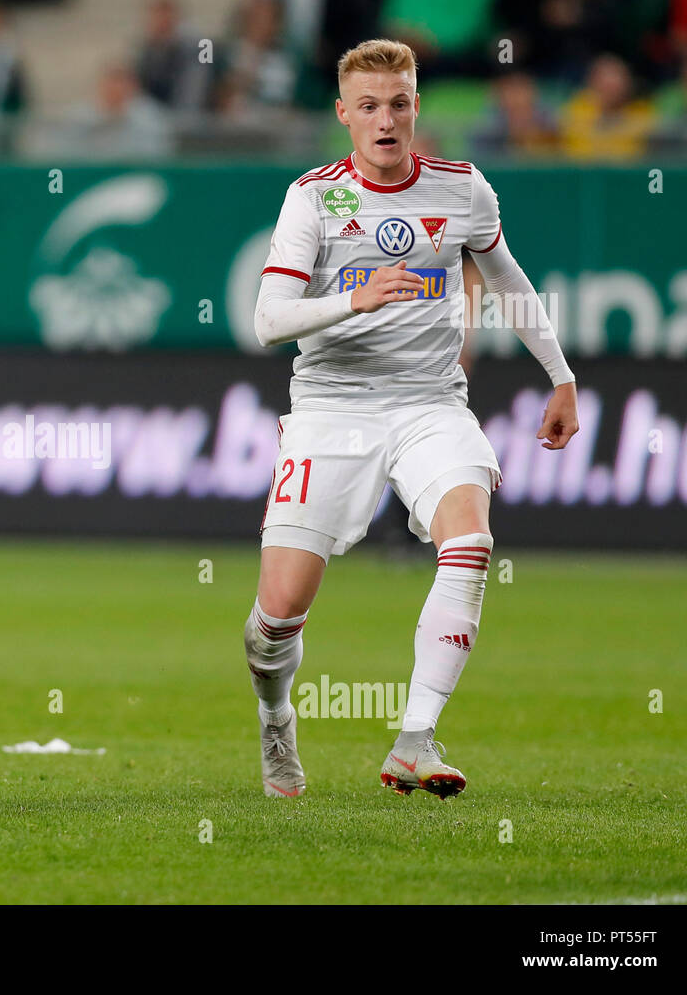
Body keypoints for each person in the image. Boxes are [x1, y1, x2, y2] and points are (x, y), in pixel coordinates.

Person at [247, 39, 579, 799]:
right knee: (277, 618)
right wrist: (352, 299)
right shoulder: (314, 197)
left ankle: (415, 739)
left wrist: (560, 375)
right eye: (369, 106)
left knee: (470, 541)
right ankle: (274, 719)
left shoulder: (463, 190)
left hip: (430, 403)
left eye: (399, 103)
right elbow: (268, 319)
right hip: (330, 407)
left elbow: (508, 280)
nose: (386, 119)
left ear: (417, 108)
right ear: (344, 115)